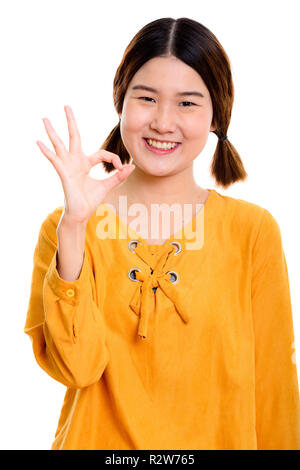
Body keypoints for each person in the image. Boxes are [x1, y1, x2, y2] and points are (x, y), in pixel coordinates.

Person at [24, 17, 300, 450]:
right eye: (147, 98)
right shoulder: (65, 230)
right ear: (122, 101)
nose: (163, 122)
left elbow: (273, 384)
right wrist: (75, 229)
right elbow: (76, 368)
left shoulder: (252, 231)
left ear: (215, 116)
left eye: (187, 103)